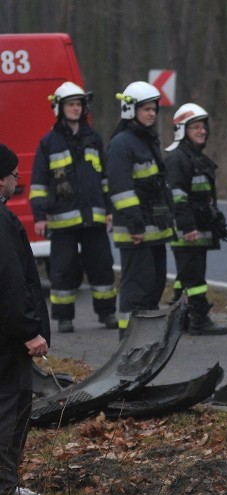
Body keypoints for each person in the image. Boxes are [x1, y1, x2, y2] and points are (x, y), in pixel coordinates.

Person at [29, 81, 118, 334]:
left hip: (94, 217)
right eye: (70, 104)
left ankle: (107, 313)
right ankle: (64, 318)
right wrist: (39, 216)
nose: (75, 109)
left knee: (101, 265)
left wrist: (110, 209)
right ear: (60, 108)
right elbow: (38, 184)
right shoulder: (49, 142)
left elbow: (104, 179)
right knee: (63, 269)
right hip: (62, 220)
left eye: (78, 104)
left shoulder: (94, 139)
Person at [0, 144, 50, 495]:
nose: (17, 181)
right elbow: (12, 281)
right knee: (11, 408)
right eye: (14, 175)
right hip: (8, 340)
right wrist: (29, 331)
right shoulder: (2, 221)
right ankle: (4, 487)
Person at [106, 81, 174, 339]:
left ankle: (146, 339)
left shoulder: (148, 140)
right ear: (130, 110)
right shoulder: (122, 144)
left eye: (154, 109)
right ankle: (129, 344)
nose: (151, 113)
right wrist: (135, 226)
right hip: (137, 233)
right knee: (136, 291)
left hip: (154, 231)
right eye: (145, 109)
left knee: (153, 288)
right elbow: (121, 190)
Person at [164, 103, 227, 335]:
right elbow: (177, 197)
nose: (202, 131)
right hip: (188, 231)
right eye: (195, 127)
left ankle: (179, 317)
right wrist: (188, 226)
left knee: (185, 277)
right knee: (195, 277)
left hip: (196, 229)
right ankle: (199, 319)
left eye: (203, 127)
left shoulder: (195, 157)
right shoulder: (178, 159)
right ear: (182, 130)